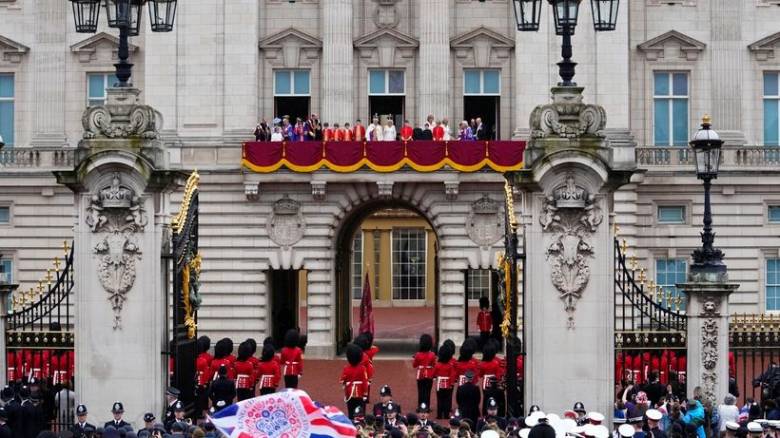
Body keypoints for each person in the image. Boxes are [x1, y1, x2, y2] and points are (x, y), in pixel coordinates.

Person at [341, 344, 369, 420]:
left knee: (350, 413)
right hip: (360, 393)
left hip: (349, 393)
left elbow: (343, 380)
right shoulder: (362, 368)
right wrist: (365, 394)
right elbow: (365, 382)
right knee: (361, 412)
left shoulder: (346, 368)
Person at [412, 334, 436, 409]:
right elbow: (433, 365)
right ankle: (427, 407)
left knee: (421, 392)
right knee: (427, 392)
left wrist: (415, 358)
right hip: (429, 375)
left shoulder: (418, 355)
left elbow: (414, 365)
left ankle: (420, 407)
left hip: (420, 375)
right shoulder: (432, 354)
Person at [433, 342, 456, 420]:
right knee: (447, 399)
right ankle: (446, 415)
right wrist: (451, 384)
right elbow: (452, 375)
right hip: (448, 384)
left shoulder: (437, 364)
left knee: (439, 399)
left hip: (439, 384)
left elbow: (434, 373)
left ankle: (439, 415)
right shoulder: (450, 365)